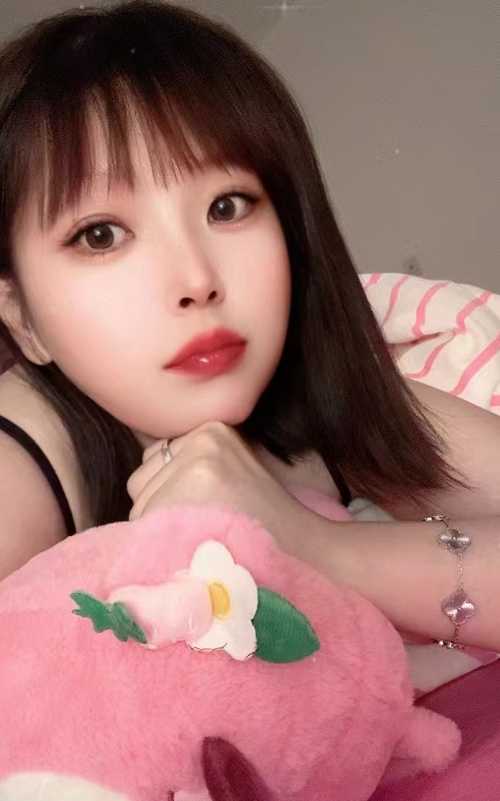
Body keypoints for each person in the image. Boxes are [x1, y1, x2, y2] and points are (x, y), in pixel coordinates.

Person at [0, 0, 499, 659]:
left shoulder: (326, 394)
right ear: (22, 318)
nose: (197, 279)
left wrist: (314, 542)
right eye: (100, 235)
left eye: (227, 206)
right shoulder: (24, 457)